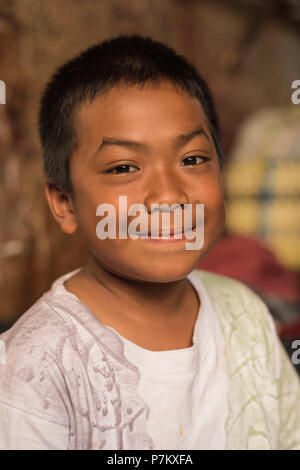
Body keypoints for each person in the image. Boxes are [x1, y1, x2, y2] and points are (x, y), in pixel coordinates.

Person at [0, 34, 299, 450]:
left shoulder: (244, 314)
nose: (168, 196)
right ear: (65, 203)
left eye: (192, 159)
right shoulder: (36, 367)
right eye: (124, 167)